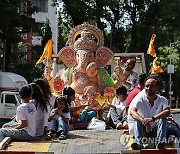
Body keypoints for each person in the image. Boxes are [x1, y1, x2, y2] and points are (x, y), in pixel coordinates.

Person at [130, 74, 170, 150]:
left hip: (156, 130)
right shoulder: (140, 99)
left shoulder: (162, 99)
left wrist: (152, 119)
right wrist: (144, 121)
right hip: (144, 130)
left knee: (163, 119)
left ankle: (160, 143)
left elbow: (167, 111)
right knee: (136, 121)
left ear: (157, 88)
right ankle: (139, 144)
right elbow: (132, 112)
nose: (148, 88)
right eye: (147, 86)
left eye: (151, 86)